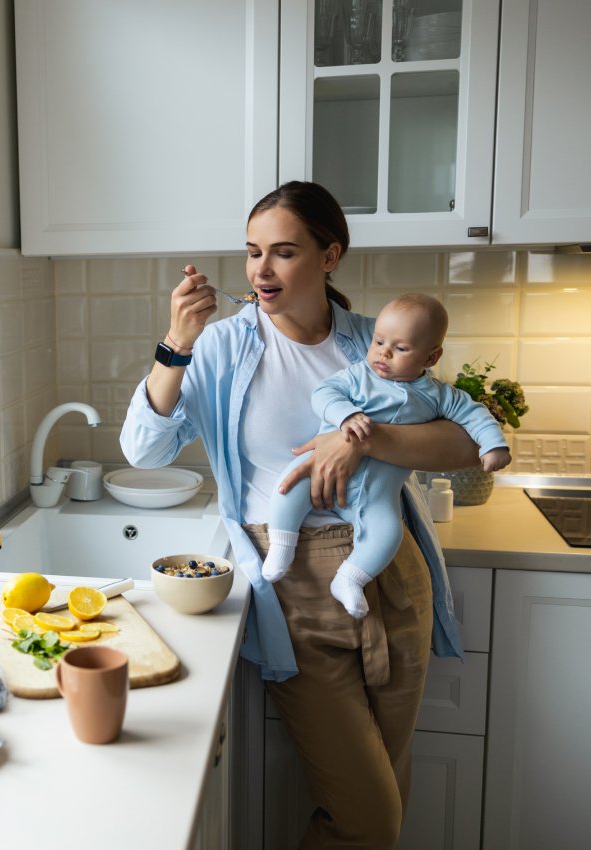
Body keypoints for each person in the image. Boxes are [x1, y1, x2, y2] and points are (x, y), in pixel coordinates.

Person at [120, 181, 480, 848]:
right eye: (253, 252)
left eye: (283, 252)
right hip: (292, 586)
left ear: (329, 255)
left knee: (388, 797)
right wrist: (176, 341)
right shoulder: (222, 346)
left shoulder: (379, 344)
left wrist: (355, 437)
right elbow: (142, 448)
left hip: (392, 572)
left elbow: (464, 442)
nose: (261, 270)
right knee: (368, 818)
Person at [261, 292, 511, 618]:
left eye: (401, 348)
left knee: (388, 533)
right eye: (378, 342)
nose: (384, 352)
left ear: (431, 357)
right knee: (288, 488)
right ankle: (282, 547)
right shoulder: (357, 376)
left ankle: (350, 579)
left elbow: (475, 416)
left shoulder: (439, 395)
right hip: (320, 470)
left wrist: (494, 445)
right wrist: (345, 416)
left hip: (377, 495)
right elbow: (324, 393)